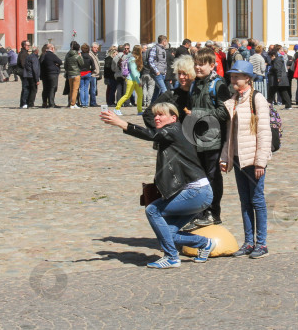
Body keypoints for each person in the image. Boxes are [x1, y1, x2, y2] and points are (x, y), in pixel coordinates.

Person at [100, 103, 216, 269]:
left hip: (197, 192)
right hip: (197, 193)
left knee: (153, 210)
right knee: (168, 232)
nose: (156, 118)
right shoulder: (170, 133)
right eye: (155, 115)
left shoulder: (174, 130)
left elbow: (150, 134)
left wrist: (121, 123)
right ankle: (204, 243)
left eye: (161, 115)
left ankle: (171, 257)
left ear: (173, 118)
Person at [219, 60, 271, 259]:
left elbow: (264, 132)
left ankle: (262, 243)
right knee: (244, 201)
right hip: (239, 158)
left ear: (247, 79)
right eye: (231, 76)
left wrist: (260, 161)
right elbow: (229, 134)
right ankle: (249, 242)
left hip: (253, 160)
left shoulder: (257, 99)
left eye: (236, 76)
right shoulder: (235, 100)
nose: (232, 79)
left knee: (257, 201)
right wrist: (226, 157)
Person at [187, 47, 231, 227]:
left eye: (201, 65)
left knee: (212, 177)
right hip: (196, 138)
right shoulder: (195, 84)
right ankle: (200, 212)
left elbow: (224, 112)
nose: (197, 68)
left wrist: (198, 113)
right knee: (198, 178)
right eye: (195, 64)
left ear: (212, 65)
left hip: (213, 138)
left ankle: (213, 212)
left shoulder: (218, 85)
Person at [142, 55, 195, 129]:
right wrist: (163, 132)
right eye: (179, 73)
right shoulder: (171, 94)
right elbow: (148, 114)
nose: (181, 77)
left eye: (185, 74)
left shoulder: (197, 94)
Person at [115, 45, 145, 114]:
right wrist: (138, 81)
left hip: (136, 80)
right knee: (127, 95)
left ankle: (139, 110)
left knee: (140, 95)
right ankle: (117, 108)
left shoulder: (137, 59)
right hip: (131, 80)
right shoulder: (132, 59)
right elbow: (134, 72)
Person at [40, 44, 62, 108]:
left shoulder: (43, 55)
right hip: (53, 74)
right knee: (53, 88)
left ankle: (44, 102)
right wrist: (56, 64)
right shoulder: (51, 55)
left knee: (45, 89)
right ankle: (51, 103)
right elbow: (60, 62)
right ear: (52, 48)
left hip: (45, 74)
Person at [64, 41, 84, 109]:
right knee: (75, 89)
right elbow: (82, 64)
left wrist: (68, 70)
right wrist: (80, 57)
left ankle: (72, 102)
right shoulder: (77, 56)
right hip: (76, 74)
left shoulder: (68, 55)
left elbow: (65, 65)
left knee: (71, 89)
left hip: (70, 74)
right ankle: (73, 104)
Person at [149, 35, 171, 100]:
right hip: (158, 73)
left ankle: (152, 105)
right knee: (164, 90)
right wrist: (156, 71)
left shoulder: (163, 49)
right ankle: (164, 104)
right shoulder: (155, 48)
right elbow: (151, 60)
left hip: (162, 73)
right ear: (164, 42)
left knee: (157, 91)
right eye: (166, 41)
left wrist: (165, 71)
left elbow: (164, 62)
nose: (167, 43)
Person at [88, 43, 102, 107]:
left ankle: (93, 101)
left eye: (97, 48)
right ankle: (93, 102)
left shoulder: (95, 54)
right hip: (92, 74)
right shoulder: (90, 54)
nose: (96, 49)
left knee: (94, 89)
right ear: (91, 47)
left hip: (95, 74)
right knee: (93, 89)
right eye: (95, 47)